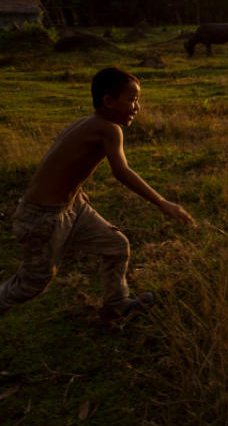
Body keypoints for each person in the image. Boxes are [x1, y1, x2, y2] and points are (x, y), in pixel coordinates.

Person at [0, 66, 196, 322]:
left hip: (72, 206)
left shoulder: (86, 124)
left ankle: (116, 305)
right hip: (42, 218)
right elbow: (121, 171)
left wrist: (76, 192)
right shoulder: (109, 129)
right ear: (108, 101)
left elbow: (63, 164)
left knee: (116, 245)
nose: (137, 107)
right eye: (132, 99)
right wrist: (161, 202)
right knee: (32, 283)